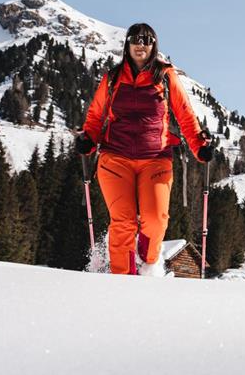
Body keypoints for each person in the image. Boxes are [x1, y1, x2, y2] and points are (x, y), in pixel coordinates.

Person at [77, 23, 212, 276]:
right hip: (115, 158)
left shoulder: (166, 76)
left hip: (156, 159)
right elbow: (95, 115)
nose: (141, 45)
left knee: (156, 219)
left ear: (154, 45)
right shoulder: (113, 78)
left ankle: (148, 261)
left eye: (147, 40)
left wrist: (199, 146)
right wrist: (88, 140)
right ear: (127, 44)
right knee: (123, 222)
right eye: (135, 39)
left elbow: (185, 114)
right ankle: (123, 278)